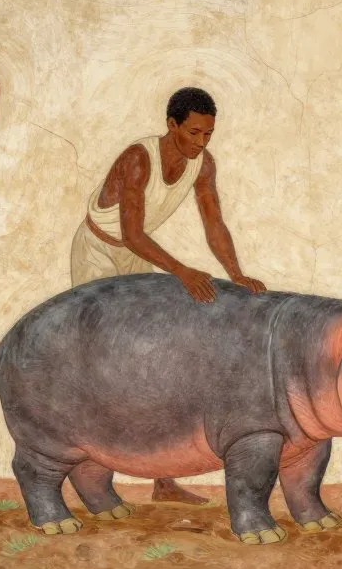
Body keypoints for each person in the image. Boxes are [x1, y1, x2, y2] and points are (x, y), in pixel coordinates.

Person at [70, 86, 266, 507]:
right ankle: (91, 476)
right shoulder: (139, 158)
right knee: (102, 362)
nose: (201, 142)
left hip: (135, 256)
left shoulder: (203, 164)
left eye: (208, 134)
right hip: (98, 251)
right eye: (193, 133)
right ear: (171, 125)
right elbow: (132, 233)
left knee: (152, 361)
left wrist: (236, 274)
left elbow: (214, 223)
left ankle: (163, 480)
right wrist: (181, 272)